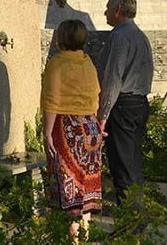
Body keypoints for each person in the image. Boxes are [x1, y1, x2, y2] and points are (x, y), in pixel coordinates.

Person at [41, 19, 104, 241]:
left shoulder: (57, 63)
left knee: (71, 192)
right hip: (90, 128)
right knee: (86, 190)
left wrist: (47, 132)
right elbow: (96, 94)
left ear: (61, 38)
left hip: (68, 128)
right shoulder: (88, 63)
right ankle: (84, 237)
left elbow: (52, 99)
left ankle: (73, 239)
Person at [96, 0, 154, 205]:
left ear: (118, 9)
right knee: (133, 164)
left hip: (122, 107)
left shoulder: (120, 37)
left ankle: (131, 225)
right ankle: (136, 218)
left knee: (122, 168)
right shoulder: (140, 36)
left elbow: (113, 79)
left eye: (108, 7)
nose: (105, 12)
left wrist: (103, 115)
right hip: (138, 104)